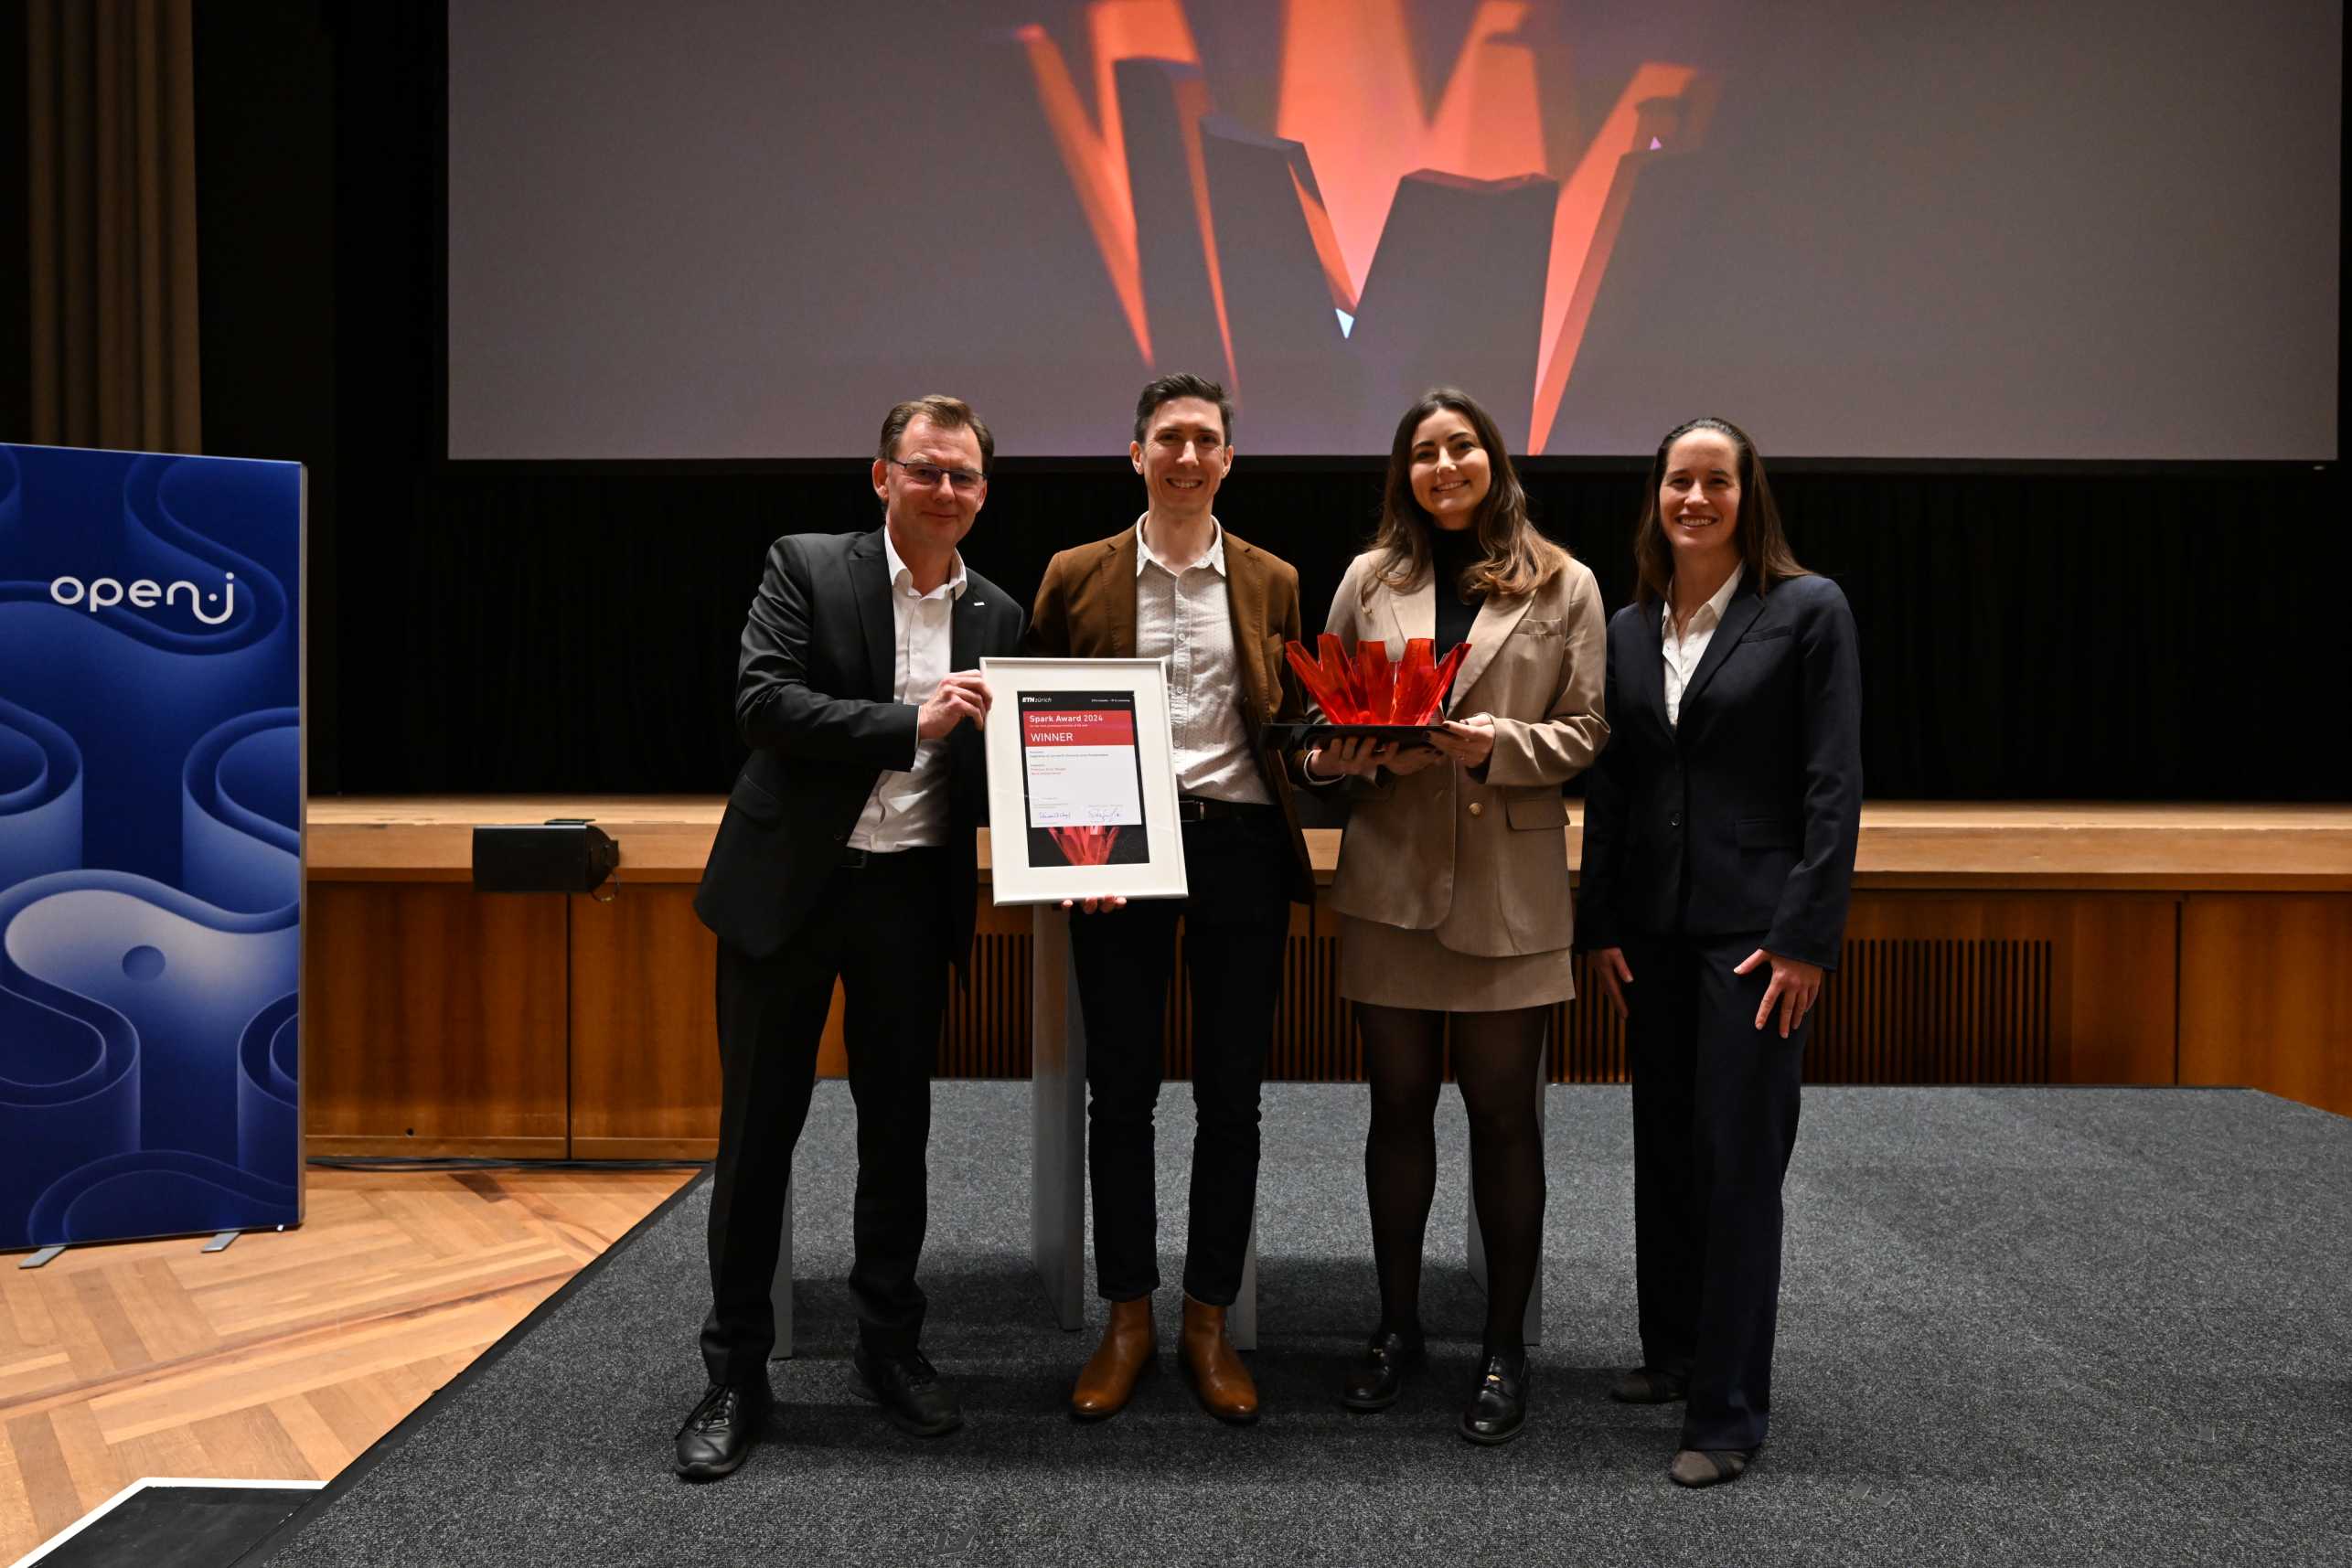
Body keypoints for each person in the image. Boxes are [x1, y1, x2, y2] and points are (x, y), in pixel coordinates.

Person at [677, 395, 1027, 1480]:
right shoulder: (808, 565)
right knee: (757, 1138)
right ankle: (736, 1369)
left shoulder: (999, 615)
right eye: (925, 471)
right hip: (792, 890)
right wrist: (906, 721)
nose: (946, 492)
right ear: (881, 477)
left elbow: (1020, 762)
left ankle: (890, 1345)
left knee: (898, 1133)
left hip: (909, 900)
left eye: (964, 476)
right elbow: (762, 702)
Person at [1302, 387, 1608, 1445]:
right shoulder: (1366, 579)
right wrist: (1329, 755)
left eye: (1461, 447)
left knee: (1503, 1117)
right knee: (1396, 1111)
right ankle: (1395, 1327)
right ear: (1404, 472)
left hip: (1507, 889)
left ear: (1493, 460)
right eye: (1424, 452)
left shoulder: (1563, 579)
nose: (1444, 465)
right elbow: (1323, 714)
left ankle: (1503, 1343)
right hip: (1390, 879)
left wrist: (1500, 745)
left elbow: (1586, 729)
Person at [1577, 416, 1861, 1488]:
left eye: (1716, 481)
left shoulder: (1807, 611)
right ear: (1656, 495)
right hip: (1649, 929)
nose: (1694, 498)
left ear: (1750, 495)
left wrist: (1804, 939)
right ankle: (1673, 1352)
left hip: (1755, 936)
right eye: (1678, 481)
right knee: (1665, 1147)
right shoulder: (1625, 623)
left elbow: (1832, 785)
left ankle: (1728, 1410)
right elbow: (1612, 785)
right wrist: (1597, 921)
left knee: (1740, 1163)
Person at [1026, 373, 1315, 1424]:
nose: (1186, 455)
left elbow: (1288, 729)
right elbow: (1039, 726)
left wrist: (1339, 751)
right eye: (1167, 438)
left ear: (1228, 459)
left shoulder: (1274, 578)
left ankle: (1207, 1319)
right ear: (1134, 453)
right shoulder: (1076, 573)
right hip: (1117, 863)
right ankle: (1127, 1317)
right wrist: (1070, 852)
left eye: (1204, 439)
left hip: (1239, 844)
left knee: (1230, 1097)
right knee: (1121, 1092)